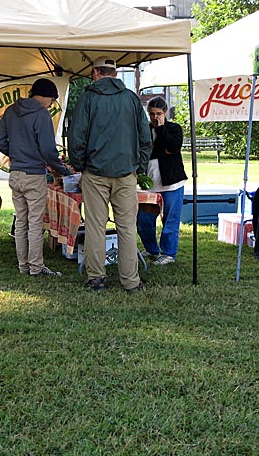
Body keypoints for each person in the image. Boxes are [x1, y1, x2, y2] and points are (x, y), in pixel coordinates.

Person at [69, 57, 152, 293]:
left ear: (95, 73)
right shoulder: (131, 99)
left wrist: (80, 166)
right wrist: (139, 168)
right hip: (126, 172)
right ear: (115, 75)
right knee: (127, 227)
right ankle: (131, 281)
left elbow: (76, 138)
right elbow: (146, 138)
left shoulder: (88, 98)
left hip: (95, 172)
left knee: (95, 225)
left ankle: (96, 278)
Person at [0, 78, 72, 277]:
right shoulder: (41, 114)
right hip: (34, 175)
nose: (51, 104)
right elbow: (47, 149)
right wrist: (62, 170)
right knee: (35, 223)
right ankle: (36, 268)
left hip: (15, 174)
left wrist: (15, 153)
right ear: (45, 96)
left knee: (21, 222)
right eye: (52, 100)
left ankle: (23, 266)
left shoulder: (11, 110)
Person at [136, 97, 187, 266]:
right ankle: (152, 250)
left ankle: (169, 253)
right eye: (151, 114)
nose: (155, 117)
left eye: (158, 114)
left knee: (170, 221)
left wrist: (162, 128)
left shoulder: (174, 128)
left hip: (172, 182)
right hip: (150, 185)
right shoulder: (144, 130)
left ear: (165, 113)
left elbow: (173, 147)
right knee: (144, 220)